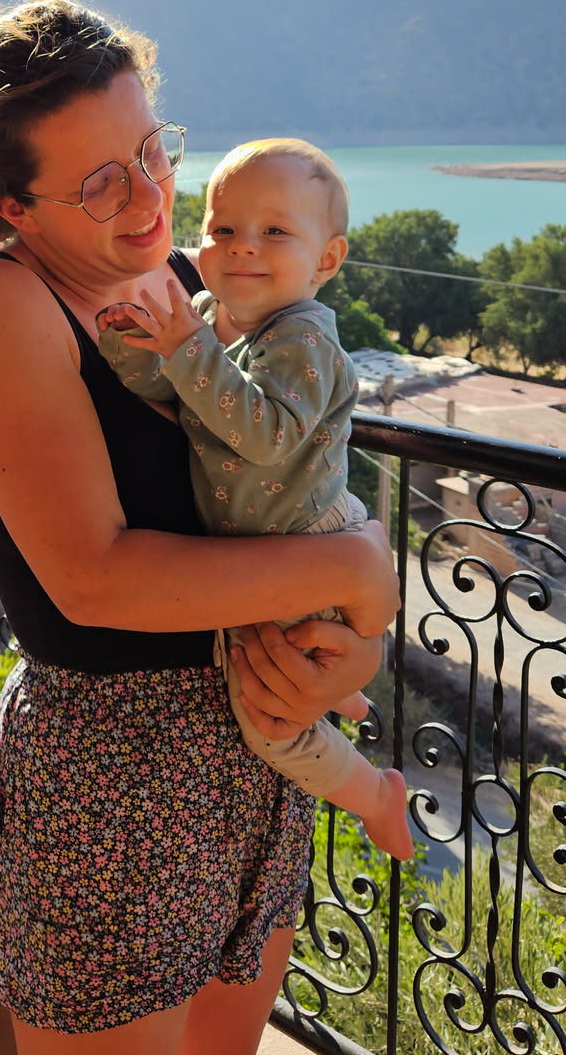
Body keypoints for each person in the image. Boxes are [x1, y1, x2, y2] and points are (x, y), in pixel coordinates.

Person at [0, 0, 400, 1055]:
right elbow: (96, 575)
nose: (148, 197)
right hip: (114, 781)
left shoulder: (186, 285)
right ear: (13, 207)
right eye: (100, 182)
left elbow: (300, 466)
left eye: (152, 150)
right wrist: (354, 575)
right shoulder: (1, 310)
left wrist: (353, 616)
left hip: (247, 751)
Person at [95, 137, 413, 861]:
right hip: (268, 548)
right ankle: (345, 696)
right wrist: (132, 348)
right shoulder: (208, 315)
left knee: (269, 722)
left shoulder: (304, 339)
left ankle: (374, 795)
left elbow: (266, 434)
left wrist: (185, 347)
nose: (243, 246)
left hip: (304, 539)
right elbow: (178, 389)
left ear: (326, 260)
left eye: (274, 231)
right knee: (288, 668)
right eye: (224, 228)